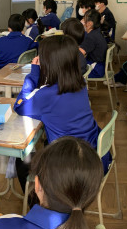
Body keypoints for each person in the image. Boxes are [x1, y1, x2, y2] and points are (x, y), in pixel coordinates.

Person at [14, 36, 111, 180]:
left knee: (21, 161)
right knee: (46, 143)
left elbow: (19, 106)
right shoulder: (80, 83)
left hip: (72, 168)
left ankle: (40, 193)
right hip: (94, 155)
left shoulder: (46, 95)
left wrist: (34, 73)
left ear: (49, 64)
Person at [80, 10, 108, 79]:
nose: (82, 21)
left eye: (83, 19)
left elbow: (80, 53)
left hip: (95, 69)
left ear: (89, 23)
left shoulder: (91, 36)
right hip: (99, 67)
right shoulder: (96, 32)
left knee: (68, 70)